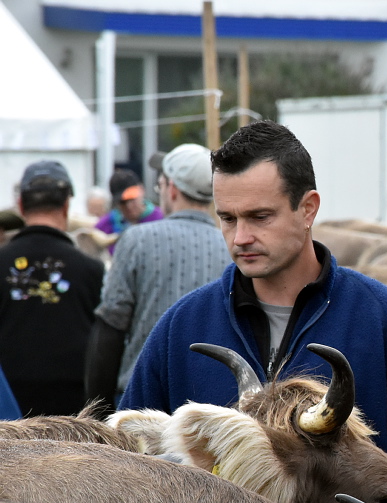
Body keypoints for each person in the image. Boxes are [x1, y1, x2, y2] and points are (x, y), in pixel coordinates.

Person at [119, 120, 387, 503]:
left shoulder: (386, 319)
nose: (240, 237)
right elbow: (127, 466)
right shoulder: (181, 326)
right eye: (227, 218)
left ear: (308, 209)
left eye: (259, 216)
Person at [85, 143, 230, 412]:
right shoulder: (231, 247)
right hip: (215, 411)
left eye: (160, 184)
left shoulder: (137, 240)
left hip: (143, 406)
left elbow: (110, 330)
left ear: (171, 189)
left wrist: (97, 412)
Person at [0, 160, 104, 415]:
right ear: (67, 205)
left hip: (7, 409)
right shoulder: (91, 269)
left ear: (22, 205)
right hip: (72, 412)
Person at [95, 169, 164, 253]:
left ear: (141, 190)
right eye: (122, 202)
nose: (128, 206)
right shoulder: (105, 225)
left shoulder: (161, 219)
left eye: (131, 199)